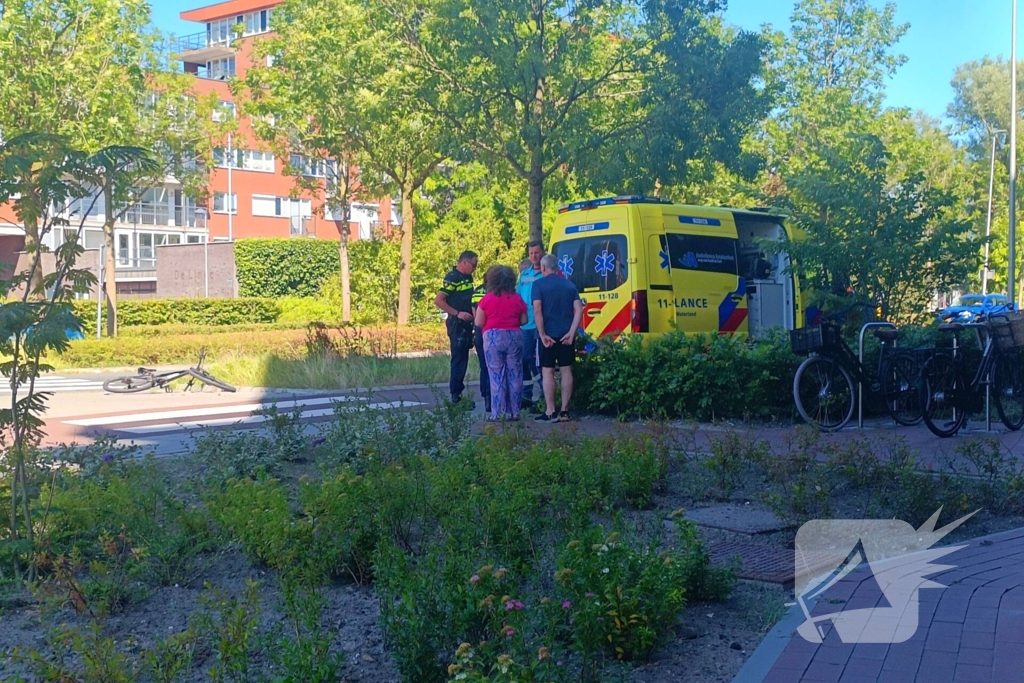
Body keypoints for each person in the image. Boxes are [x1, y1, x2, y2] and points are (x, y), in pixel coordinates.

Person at [532, 254, 583, 423]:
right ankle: (565, 411)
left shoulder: (538, 285)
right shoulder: (569, 285)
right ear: (557, 268)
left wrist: (542, 334)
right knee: (566, 370)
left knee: (548, 371)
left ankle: (550, 410)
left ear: (544, 268)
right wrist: (572, 331)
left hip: (548, 336)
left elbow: (537, 310)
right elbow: (579, 310)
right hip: (565, 335)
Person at [475, 265, 527, 421]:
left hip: (492, 338)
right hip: (514, 336)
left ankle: (497, 412)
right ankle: (515, 411)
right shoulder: (517, 298)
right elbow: (524, 320)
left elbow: (479, 321)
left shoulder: (487, 299)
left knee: (496, 375)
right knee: (515, 373)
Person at [434, 250, 478, 403]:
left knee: (463, 359)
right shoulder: (453, 278)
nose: (475, 268)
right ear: (464, 262)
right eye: (474, 265)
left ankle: (458, 394)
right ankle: (455, 396)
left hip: (467, 324)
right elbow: (439, 300)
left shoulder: (467, 277)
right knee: (458, 359)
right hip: (457, 324)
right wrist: (457, 313)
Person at [516, 241, 545, 413]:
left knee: (539, 361)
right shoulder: (524, 275)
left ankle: (544, 394)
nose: (534, 256)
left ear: (542, 253)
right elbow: (518, 298)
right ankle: (526, 395)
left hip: (541, 323)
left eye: (537, 252)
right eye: (531, 253)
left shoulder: (547, 272)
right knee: (525, 359)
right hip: (526, 324)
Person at [472, 283, 491, 413]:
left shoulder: (477, 291)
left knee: (484, 366)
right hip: (494, 329)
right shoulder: (500, 289)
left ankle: (486, 397)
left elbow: (474, 310)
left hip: (480, 329)